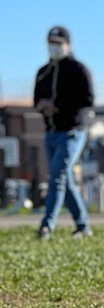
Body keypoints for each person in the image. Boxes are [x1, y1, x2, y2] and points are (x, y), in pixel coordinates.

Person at [34, 26, 94, 240]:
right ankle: (83, 226)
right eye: (51, 43)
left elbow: (87, 100)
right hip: (51, 133)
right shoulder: (44, 72)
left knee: (57, 177)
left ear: (68, 44)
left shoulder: (78, 70)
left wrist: (58, 105)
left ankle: (46, 226)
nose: (55, 47)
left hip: (72, 132)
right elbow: (36, 100)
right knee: (65, 181)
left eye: (58, 43)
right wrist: (43, 106)